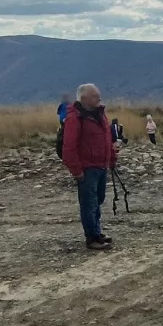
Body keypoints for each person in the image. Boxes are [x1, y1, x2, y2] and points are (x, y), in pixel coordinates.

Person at [60, 84, 118, 250]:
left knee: (97, 200)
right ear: (84, 99)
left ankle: (96, 232)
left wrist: (112, 159)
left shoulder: (100, 114)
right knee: (89, 203)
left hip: (101, 165)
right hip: (87, 168)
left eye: (98, 95)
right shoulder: (75, 118)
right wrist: (77, 171)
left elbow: (107, 139)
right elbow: (69, 147)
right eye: (94, 96)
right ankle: (91, 237)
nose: (99, 99)